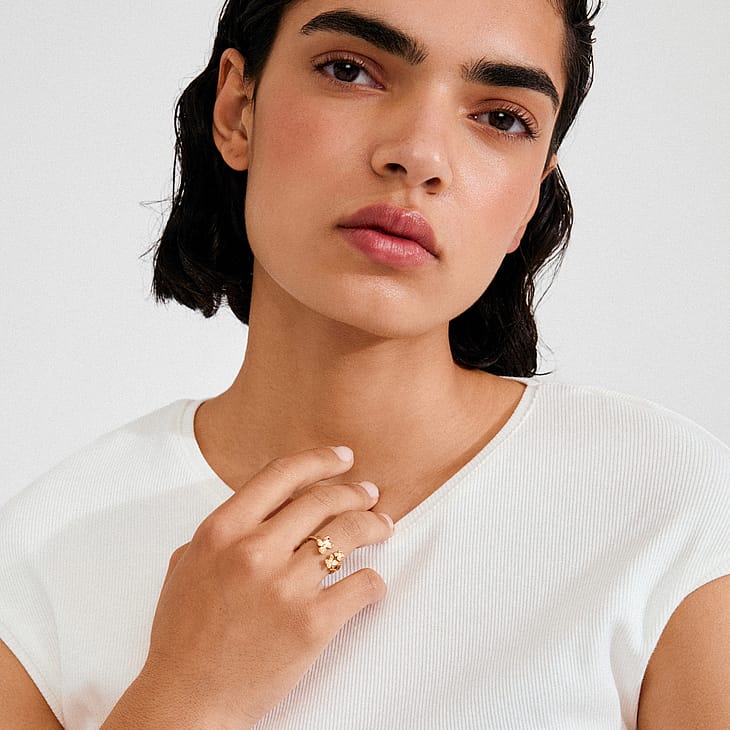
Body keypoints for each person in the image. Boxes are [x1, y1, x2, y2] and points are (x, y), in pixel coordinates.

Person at [1, 0, 728, 728]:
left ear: (531, 194)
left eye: (502, 118)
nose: (419, 155)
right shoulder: (42, 561)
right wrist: (186, 695)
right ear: (237, 111)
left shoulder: (669, 507)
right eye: (350, 71)